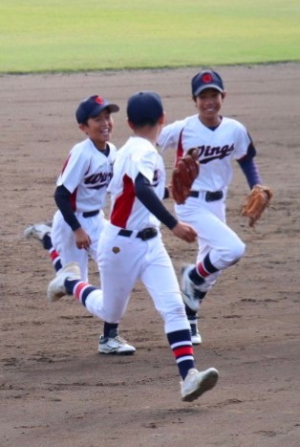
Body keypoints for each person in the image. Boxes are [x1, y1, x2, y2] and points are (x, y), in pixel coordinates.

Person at [46, 91, 219, 402]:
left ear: (126, 122)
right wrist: (174, 223)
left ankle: (189, 376)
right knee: (111, 309)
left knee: (174, 307)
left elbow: (132, 192)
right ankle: (70, 281)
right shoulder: (143, 152)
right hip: (120, 246)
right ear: (163, 119)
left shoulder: (122, 151)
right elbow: (140, 188)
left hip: (151, 244)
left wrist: (170, 192)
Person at [158, 69, 268, 345]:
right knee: (232, 249)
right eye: (203, 96)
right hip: (190, 202)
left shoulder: (234, 129)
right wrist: (160, 185)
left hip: (217, 203)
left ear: (223, 96)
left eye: (214, 95)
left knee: (213, 268)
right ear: (194, 100)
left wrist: (257, 185)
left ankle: (189, 321)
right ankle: (191, 277)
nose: (209, 101)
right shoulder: (183, 129)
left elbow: (246, 159)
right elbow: (148, 146)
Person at [25, 94, 135, 355]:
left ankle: (109, 337)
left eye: (108, 116)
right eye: (97, 118)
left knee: (117, 266)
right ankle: (50, 240)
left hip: (97, 220)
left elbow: (121, 188)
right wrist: (76, 229)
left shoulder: (112, 151)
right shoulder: (81, 153)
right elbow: (61, 195)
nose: (105, 122)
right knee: (75, 284)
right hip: (70, 222)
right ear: (84, 127)